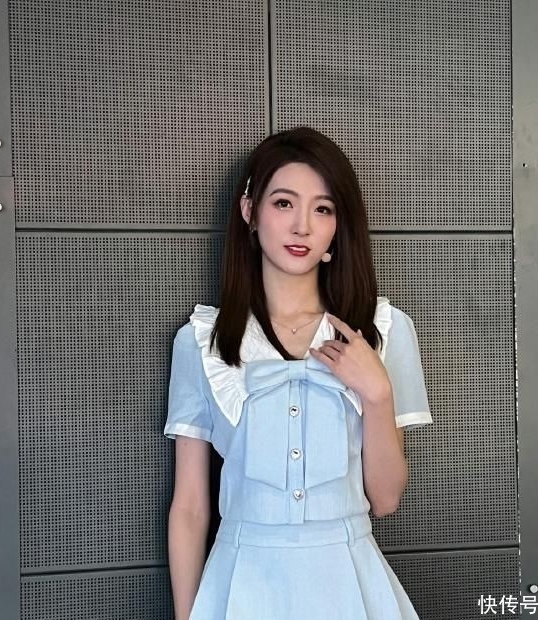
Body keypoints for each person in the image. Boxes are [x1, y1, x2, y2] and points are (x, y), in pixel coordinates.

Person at [164, 126, 433, 619]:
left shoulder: (383, 330)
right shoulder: (201, 342)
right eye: (284, 203)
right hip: (240, 582)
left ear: (337, 227)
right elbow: (190, 508)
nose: (302, 226)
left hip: (349, 582)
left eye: (323, 209)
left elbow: (386, 498)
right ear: (250, 212)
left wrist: (377, 394)